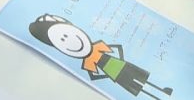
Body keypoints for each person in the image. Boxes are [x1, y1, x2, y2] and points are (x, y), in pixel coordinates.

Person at [29, 14, 173, 99]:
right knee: (134, 85)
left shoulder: (98, 46)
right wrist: (106, 74)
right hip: (112, 72)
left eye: (66, 34)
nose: (66, 39)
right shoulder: (87, 62)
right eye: (61, 40)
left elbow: (116, 48)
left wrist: (120, 58)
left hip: (118, 64)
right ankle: (153, 95)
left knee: (140, 77)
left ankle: (162, 90)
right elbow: (93, 76)